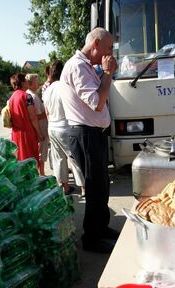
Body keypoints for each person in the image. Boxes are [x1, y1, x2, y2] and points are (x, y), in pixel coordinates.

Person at [60, 27, 119, 253]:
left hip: (93, 133)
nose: (110, 53)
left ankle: (101, 228)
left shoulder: (85, 66)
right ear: (95, 44)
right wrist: (108, 74)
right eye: (108, 47)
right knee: (94, 186)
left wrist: (105, 73)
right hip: (85, 134)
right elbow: (97, 102)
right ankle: (92, 238)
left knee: (101, 184)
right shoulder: (77, 67)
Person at [42, 60, 86, 196]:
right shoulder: (65, 87)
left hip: (52, 127)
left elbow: (47, 112)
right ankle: (84, 187)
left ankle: (65, 187)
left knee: (58, 159)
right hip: (65, 127)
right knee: (75, 158)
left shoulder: (47, 90)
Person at [8, 73, 43, 167]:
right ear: (22, 83)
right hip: (27, 133)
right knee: (31, 161)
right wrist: (39, 133)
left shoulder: (11, 98)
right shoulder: (27, 96)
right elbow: (33, 117)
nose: (27, 82)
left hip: (16, 134)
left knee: (21, 162)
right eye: (25, 80)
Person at [26, 73, 48, 175]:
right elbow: (37, 116)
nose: (38, 83)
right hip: (40, 127)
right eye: (36, 81)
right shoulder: (33, 96)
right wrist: (48, 112)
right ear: (30, 84)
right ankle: (42, 174)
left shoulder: (30, 94)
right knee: (41, 154)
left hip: (37, 128)